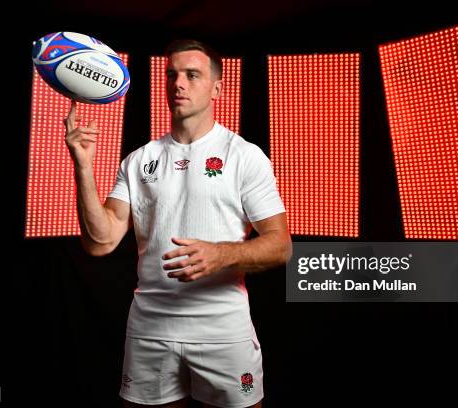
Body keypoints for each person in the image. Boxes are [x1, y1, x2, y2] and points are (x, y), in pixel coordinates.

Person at [64, 39, 292, 408]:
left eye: (191, 74)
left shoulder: (244, 157)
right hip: (150, 330)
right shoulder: (140, 160)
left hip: (221, 330)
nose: (178, 84)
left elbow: (280, 245)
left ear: (217, 87)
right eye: (171, 75)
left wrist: (220, 254)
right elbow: (100, 242)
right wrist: (84, 166)